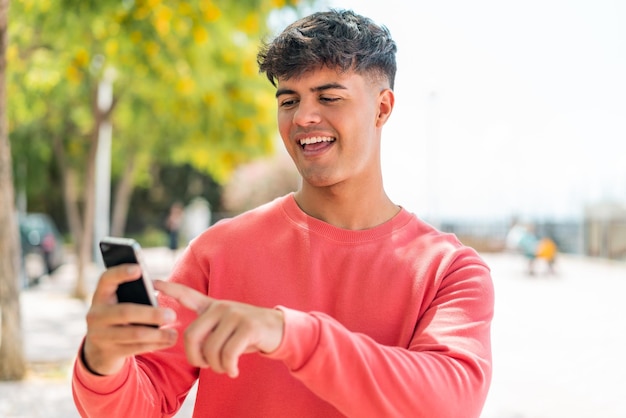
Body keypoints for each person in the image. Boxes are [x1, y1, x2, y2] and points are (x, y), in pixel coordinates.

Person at [72, 9, 494, 418]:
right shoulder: (218, 250)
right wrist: (103, 364)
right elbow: (142, 405)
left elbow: (448, 404)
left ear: (382, 108)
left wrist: (290, 334)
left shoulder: (450, 271)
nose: (303, 117)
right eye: (288, 100)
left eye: (329, 97)